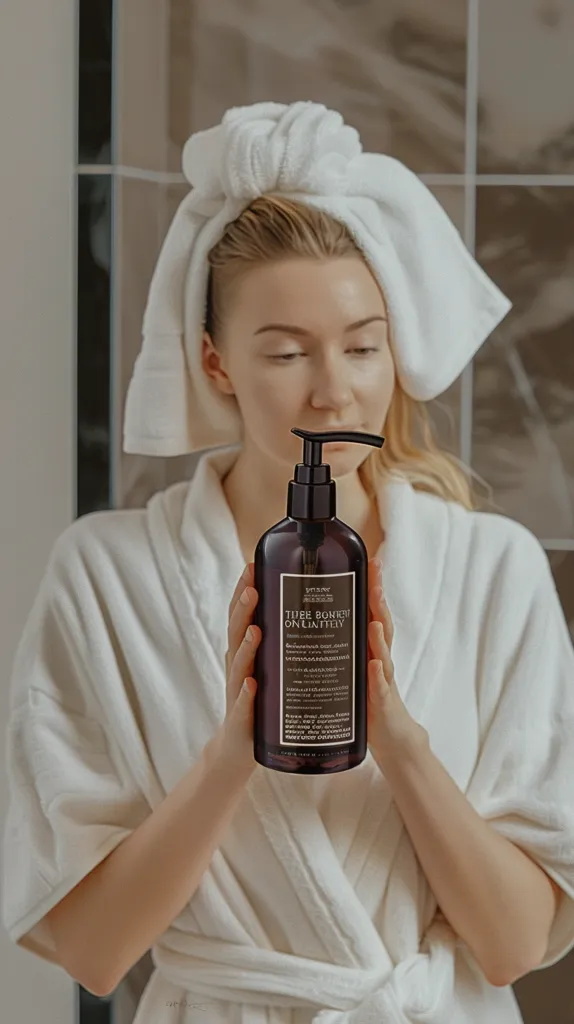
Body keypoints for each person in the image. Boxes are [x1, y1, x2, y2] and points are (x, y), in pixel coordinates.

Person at [2, 102, 574, 1024]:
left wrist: (400, 743)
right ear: (215, 363)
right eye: (285, 353)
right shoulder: (106, 577)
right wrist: (232, 755)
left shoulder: (492, 571)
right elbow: (93, 954)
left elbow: (512, 947)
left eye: (363, 346)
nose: (333, 390)